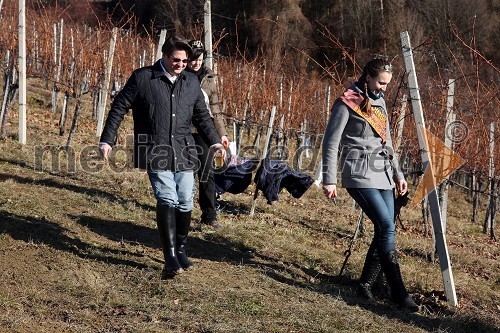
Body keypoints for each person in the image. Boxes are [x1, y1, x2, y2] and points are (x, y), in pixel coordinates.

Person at [99, 36, 226, 279]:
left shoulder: (190, 83)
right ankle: (169, 258)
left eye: (185, 61)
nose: (180, 64)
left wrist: (215, 142)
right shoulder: (143, 77)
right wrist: (107, 139)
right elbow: (119, 107)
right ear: (165, 55)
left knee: (186, 201)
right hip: (155, 148)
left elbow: (202, 116)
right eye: (176, 60)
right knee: (167, 198)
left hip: (184, 150)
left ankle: (180, 249)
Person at [322, 58, 419, 312]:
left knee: (386, 229)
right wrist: (329, 178)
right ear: (368, 77)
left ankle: (366, 284)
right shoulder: (347, 102)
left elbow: (387, 143)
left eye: (387, 84)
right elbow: (330, 143)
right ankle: (399, 292)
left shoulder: (381, 103)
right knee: (386, 225)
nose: (384, 88)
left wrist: (398, 174)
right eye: (380, 82)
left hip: (384, 174)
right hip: (359, 173)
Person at [186, 40, 229, 230]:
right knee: (183, 169)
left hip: (204, 128)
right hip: (184, 128)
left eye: (200, 59)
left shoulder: (209, 76)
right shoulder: (180, 74)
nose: (196, 63)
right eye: (193, 59)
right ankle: (180, 210)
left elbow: (215, 107)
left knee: (207, 171)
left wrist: (222, 134)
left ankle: (209, 214)